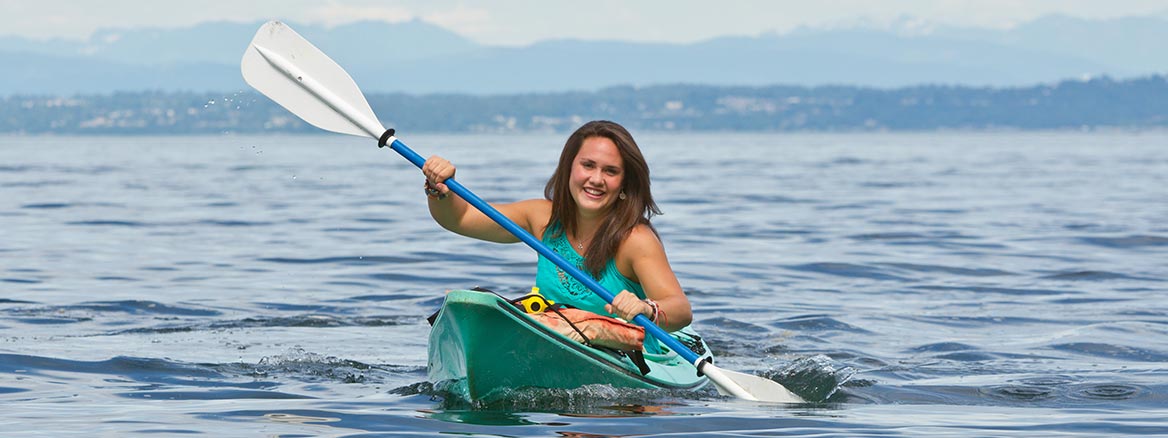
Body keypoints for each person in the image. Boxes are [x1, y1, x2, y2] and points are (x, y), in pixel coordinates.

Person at [421, 120, 693, 340]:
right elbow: (462, 218)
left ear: (624, 184)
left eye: (610, 171)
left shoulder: (635, 240)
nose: (596, 179)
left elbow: (680, 309)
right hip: (553, 336)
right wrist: (441, 191)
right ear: (569, 168)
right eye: (588, 165)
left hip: (622, 352)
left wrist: (646, 307)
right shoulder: (542, 218)